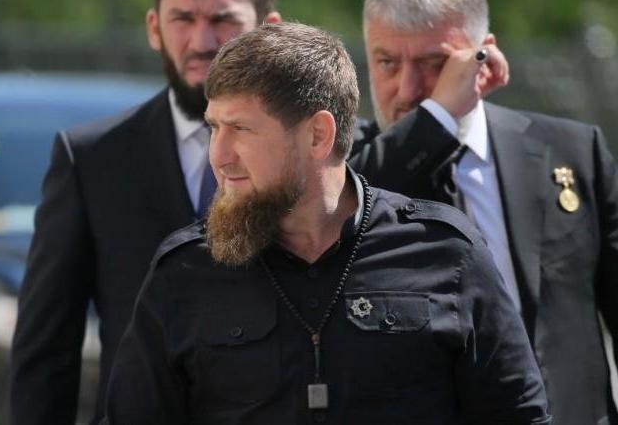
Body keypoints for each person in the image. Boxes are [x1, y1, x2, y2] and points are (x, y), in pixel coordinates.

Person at [102, 22, 550, 424]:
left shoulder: (446, 252)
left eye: (241, 129)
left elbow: (519, 416)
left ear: (318, 135)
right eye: (214, 128)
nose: (218, 155)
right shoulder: (185, 271)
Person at [9, 0, 281, 424]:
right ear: (154, 28)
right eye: (183, 19)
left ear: (268, 29)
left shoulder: (312, 154)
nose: (202, 42)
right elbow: (47, 348)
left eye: (223, 20)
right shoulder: (91, 160)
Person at [351, 0, 618, 425]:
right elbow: (359, 202)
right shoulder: (353, 167)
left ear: (484, 55)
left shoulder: (570, 152)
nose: (407, 89)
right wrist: (438, 117)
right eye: (387, 62)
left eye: (434, 64)